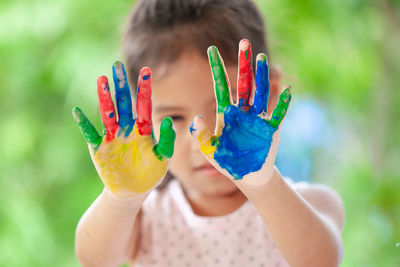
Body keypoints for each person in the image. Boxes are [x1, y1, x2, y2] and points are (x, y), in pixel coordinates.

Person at [73, 0, 345, 266]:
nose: (200, 140)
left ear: (269, 93)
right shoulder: (141, 219)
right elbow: (95, 260)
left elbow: (321, 260)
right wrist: (122, 199)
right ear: (139, 116)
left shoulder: (307, 205)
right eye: (174, 118)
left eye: (223, 109)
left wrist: (262, 185)